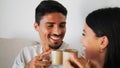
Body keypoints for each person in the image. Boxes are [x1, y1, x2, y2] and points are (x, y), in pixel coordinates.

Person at [12, 0, 70, 68]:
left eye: (62, 25)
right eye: (50, 25)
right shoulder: (25, 53)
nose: (58, 32)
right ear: (36, 27)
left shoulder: (74, 59)